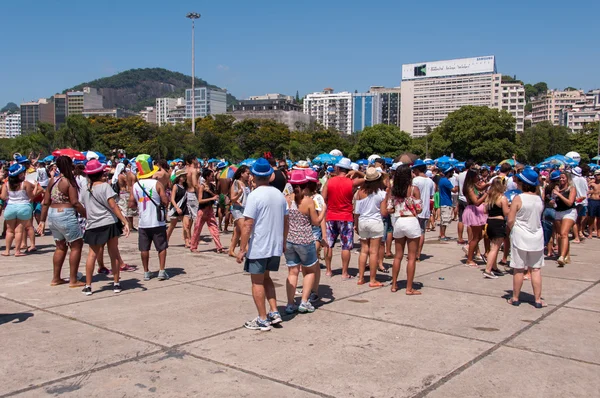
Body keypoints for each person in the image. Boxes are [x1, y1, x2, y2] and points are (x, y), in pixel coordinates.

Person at [237, 158, 288, 331]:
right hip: (275, 245)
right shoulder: (279, 195)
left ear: (253, 176)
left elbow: (247, 224)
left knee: (257, 282)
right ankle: (274, 312)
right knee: (267, 278)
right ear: (269, 175)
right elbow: (286, 221)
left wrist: (242, 248)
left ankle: (262, 318)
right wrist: (283, 242)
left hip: (260, 246)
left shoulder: (254, 195)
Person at [80, 160, 130, 295]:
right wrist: (124, 221)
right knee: (113, 252)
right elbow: (113, 205)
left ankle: (88, 286)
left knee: (92, 254)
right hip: (108, 222)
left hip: (93, 224)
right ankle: (116, 283)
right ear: (100, 173)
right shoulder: (105, 187)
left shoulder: (85, 189)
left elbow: (82, 205)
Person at [37, 156, 87, 287]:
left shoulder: (53, 180)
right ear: (70, 165)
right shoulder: (69, 182)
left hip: (53, 215)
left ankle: (56, 278)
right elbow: (75, 202)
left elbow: (46, 202)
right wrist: (87, 215)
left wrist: (42, 221)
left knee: (60, 246)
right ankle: (73, 279)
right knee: (76, 245)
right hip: (66, 214)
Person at [284, 170, 325, 314]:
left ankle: (290, 304)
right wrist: (323, 212)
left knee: (292, 272)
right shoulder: (308, 201)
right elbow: (315, 222)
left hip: (290, 239)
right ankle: (304, 301)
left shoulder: (287, 199)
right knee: (310, 271)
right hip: (305, 240)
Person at [507, 168, 546, 308]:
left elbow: (510, 220)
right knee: (536, 269)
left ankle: (515, 297)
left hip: (520, 235)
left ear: (523, 183)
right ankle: (537, 299)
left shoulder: (518, 198)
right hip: (536, 236)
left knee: (518, 269)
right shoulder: (539, 199)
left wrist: (509, 230)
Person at [322, 157, 364, 279]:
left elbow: (323, 198)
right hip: (346, 216)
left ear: (338, 168)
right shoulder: (352, 182)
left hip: (331, 215)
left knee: (328, 244)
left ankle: (329, 270)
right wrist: (358, 173)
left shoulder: (329, 181)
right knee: (346, 246)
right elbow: (368, 178)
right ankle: (344, 272)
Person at [129, 154, 170, 281]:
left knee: (144, 248)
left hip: (143, 222)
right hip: (157, 221)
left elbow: (131, 204)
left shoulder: (136, 186)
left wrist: (140, 203)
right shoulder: (157, 184)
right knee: (161, 247)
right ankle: (162, 271)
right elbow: (165, 201)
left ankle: (146, 272)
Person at [387, 164, 422, 294]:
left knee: (398, 256)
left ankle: (394, 285)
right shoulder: (414, 189)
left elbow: (390, 208)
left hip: (399, 221)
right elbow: (419, 209)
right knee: (411, 257)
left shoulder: (393, 190)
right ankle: (409, 288)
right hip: (411, 220)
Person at [354, 167, 387, 287]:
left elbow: (356, 211)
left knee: (364, 251)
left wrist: (356, 224)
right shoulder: (382, 193)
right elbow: (383, 212)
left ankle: (361, 277)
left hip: (362, 221)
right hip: (375, 222)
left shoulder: (360, 192)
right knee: (374, 252)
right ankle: (372, 279)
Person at [0, 164, 36, 257]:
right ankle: (17, 251)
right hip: (23, 207)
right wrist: (35, 189)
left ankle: (7, 251)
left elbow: (3, 197)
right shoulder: (25, 184)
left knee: (9, 230)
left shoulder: (6, 184)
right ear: (19, 174)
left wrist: (10, 197)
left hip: (10, 207)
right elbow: (31, 197)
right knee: (19, 230)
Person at [304, 169, 327, 301]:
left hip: (315, 232)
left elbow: (321, 217)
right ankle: (309, 287)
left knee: (314, 262)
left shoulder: (317, 198)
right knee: (305, 263)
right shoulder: (303, 197)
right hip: (305, 232)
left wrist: (324, 235)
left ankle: (315, 290)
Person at [190, 169, 224, 253]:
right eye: (211, 176)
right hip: (202, 210)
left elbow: (216, 196)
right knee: (197, 229)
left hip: (210, 210)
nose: (213, 177)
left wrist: (209, 191)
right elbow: (200, 200)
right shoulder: (201, 186)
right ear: (207, 177)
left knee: (214, 229)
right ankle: (193, 247)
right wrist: (211, 197)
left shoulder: (211, 186)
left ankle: (219, 247)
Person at [482, 178, 510, 279]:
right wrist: (511, 207)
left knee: (493, 246)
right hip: (498, 223)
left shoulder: (489, 198)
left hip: (489, 222)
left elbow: (485, 211)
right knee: (495, 248)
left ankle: (494, 267)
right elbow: (506, 213)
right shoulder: (502, 198)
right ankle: (488, 270)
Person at [462, 169, 488, 268]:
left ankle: (470, 250)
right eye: (477, 176)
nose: (478, 178)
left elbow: (481, 188)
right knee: (476, 237)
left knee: (482, 233)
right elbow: (476, 202)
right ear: (472, 177)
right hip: (474, 211)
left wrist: (488, 185)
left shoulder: (473, 185)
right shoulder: (469, 187)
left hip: (476, 211)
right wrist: (486, 195)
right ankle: (469, 259)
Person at [551, 171, 577, 266]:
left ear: (567, 179)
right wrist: (552, 202)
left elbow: (570, 202)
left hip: (569, 212)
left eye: (563, 178)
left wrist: (559, 194)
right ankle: (566, 254)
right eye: (560, 178)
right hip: (558, 212)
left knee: (564, 233)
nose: (561, 179)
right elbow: (555, 201)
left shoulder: (571, 188)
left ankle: (561, 257)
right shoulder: (557, 188)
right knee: (560, 235)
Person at [411, 159, 435, 260]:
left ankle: (412, 253)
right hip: (425, 210)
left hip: (415, 210)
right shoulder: (431, 181)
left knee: (413, 233)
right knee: (421, 232)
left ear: (417, 169)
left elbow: (411, 194)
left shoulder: (415, 180)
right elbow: (431, 195)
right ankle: (418, 254)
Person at [228, 165, 251, 257]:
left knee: (237, 231)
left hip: (245, 209)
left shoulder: (246, 183)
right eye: (247, 173)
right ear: (242, 174)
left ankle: (231, 250)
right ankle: (248, 252)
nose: (249, 175)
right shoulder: (236, 183)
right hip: (237, 209)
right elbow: (232, 199)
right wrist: (239, 194)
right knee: (244, 230)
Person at [166, 170, 191, 246]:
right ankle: (166, 239)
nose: (184, 178)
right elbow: (172, 199)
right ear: (179, 177)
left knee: (186, 225)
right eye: (182, 176)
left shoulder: (186, 186)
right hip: (176, 208)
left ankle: (187, 241)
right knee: (172, 226)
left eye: (184, 176)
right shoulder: (175, 186)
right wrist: (177, 208)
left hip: (184, 207)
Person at [456, 160, 474, 244]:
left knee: (461, 219)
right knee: (470, 221)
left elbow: (458, 188)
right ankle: (470, 240)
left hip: (460, 197)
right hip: (468, 199)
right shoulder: (471, 175)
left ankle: (460, 238)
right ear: (471, 166)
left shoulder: (459, 175)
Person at [438, 166, 458, 241]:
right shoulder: (446, 181)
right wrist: (457, 183)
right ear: (448, 172)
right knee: (445, 220)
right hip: (446, 202)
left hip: (443, 201)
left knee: (443, 220)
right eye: (452, 172)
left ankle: (442, 234)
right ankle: (442, 235)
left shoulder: (442, 180)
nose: (453, 173)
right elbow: (454, 190)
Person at [571, 166, 588, 242]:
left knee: (574, 220)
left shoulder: (573, 180)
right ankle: (578, 233)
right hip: (583, 201)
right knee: (579, 219)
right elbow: (587, 190)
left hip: (576, 201)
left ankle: (576, 237)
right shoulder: (583, 179)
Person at [588, 170, 600, 237]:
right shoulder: (592, 183)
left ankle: (598, 232)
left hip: (599, 201)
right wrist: (591, 191)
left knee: (599, 218)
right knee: (591, 217)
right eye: (597, 175)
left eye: (599, 175)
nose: (598, 176)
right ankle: (590, 233)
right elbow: (586, 190)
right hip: (593, 200)